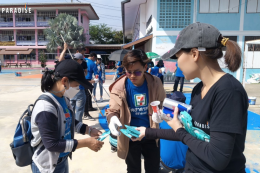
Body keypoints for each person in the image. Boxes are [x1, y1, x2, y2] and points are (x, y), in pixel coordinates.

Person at [134, 22, 248, 173]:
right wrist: (147, 132)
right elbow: (191, 133)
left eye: (178, 56)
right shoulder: (198, 89)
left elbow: (217, 158)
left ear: (194, 54)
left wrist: (179, 130)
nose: (177, 64)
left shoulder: (229, 92)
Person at [31, 59, 104, 173]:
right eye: (77, 85)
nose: (78, 89)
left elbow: (69, 121)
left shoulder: (64, 98)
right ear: (65, 81)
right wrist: (86, 143)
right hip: (48, 166)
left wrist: (88, 130)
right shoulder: (45, 108)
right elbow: (52, 144)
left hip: (62, 159)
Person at [106, 49, 165, 173]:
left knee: (153, 168)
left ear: (145, 67)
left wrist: (160, 113)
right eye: (129, 72)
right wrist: (113, 118)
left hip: (151, 132)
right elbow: (112, 110)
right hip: (130, 135)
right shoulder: (119, 87)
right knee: (133, 169)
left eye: (137, 72)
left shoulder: (155, 83)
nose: (132, 76)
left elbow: (162, 103)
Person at [84, 53, 98, 120]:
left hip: (81, 80)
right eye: (95, 58)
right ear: (93, 57)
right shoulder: (93, 63)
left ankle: (88, 108)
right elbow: (96, 74)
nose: (95, 60)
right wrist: (97, 79)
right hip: (89, 80)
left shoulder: (83, 60)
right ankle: (88, 109)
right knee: (88, 95)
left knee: (84, 95)